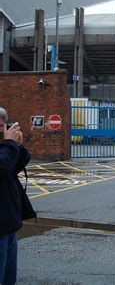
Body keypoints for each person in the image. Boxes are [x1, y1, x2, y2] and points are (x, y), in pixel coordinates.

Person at [0, 107, 31, 285]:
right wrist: (10, 145)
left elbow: (12, 168)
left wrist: (17, 146)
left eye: (3, 124)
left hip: (8, 224)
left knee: (9, 278)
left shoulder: (4, 147)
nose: (2, 129)